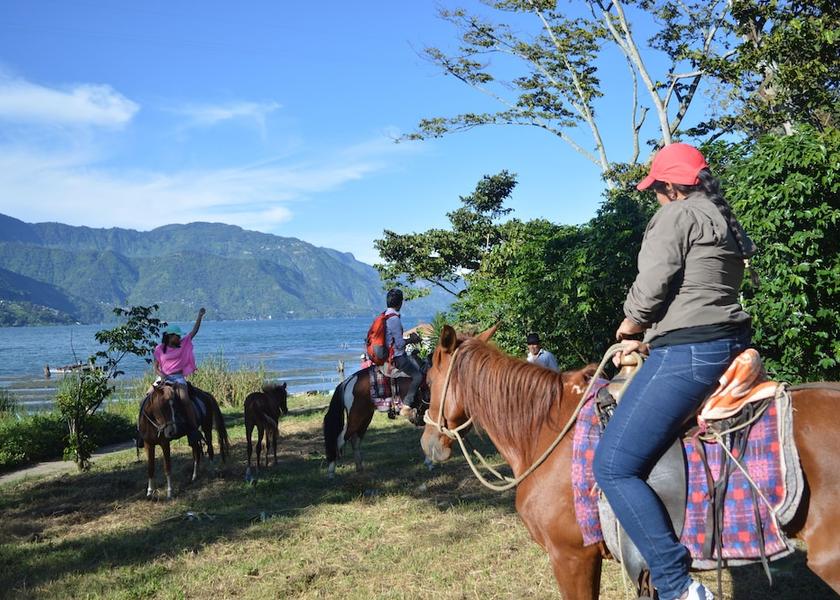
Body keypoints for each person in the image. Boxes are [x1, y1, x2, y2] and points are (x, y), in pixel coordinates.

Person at [592, 143, 756, 600]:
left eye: (656, 191)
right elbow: (696, 292)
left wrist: (629, 327)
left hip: (689, 352)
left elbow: (653, 284)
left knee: (612, 466)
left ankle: (675, 583)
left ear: (668, 186)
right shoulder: (720, 216)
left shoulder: (675, 215)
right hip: (725, 341)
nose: (656, 199)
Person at [153, 307, 206, 446]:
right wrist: (162, 376)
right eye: (177, 335)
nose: (179, 337)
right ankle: (141, 432)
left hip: (177, 377)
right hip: (163, 378)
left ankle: (194, 430)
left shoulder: (183, 344)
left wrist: (199, 316)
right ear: (171, 336)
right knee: (147, 398)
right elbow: (155, 367)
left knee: (185, 399)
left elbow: (194, 331)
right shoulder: (159, 349)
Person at [381, 288, 423, 419]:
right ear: (400, 303)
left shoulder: (384, 316)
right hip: (397, 358)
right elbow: (399, 344)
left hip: (387, 356)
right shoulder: (394, 320)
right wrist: (412, 339)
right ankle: (407, 405)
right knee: (418, 376)